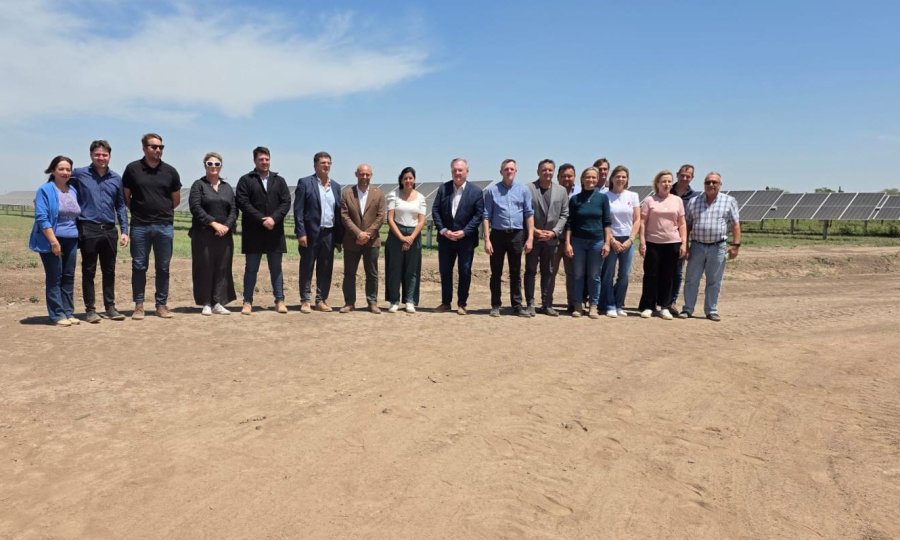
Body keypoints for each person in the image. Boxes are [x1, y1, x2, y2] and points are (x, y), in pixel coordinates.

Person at [122, 133, 182, 320]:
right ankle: (139, 306)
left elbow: (176, 200)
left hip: (164, 225)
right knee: (139, 266)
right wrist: (141, 211)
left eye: (161, 147)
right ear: (144, 148)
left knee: (163, 267)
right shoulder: (132, 169)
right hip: (140, 226)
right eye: (154, 147)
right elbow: (126, 197)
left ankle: (161, 305)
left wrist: (161, 211)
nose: (158, 150)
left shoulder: (170, 171)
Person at [71, 140, 129, 323]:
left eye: (104, 155)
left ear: (109, 156)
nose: (101, 158)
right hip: (88, 228)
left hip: (110, 230)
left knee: (109, 270)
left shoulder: (116, 178)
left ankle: (110, 307)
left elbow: (120, 206)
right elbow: (63, 187)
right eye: (97, 154)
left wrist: (124, 230)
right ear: (91, 155)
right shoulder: (79, 174)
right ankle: (90, 309)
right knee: (89, 270)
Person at [235, 146, 291, 315]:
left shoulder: (279, 180)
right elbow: (243, 203)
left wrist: (273, 218)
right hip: (254, 232)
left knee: (276, 268)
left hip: (275, 231)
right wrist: (261, 219)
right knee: (251, 269)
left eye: (267, 159)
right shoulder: (246, 180)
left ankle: (280, 300)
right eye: (261, 159)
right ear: (254, 161)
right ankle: (247, 302)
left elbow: (286, 202)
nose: (264, 162)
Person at [679, 172, 741, 321]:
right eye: (708, 182)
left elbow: (735, 224)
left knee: (714, 280)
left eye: (714, 182)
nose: (711, 185)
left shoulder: (729, 201)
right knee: (691, 279)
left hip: (717, 247)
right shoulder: (694, 201)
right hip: (697, 246)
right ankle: (687, 309)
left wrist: (736, 245)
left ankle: (711, 310)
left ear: (720, 185)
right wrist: (685, 245)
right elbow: (687, 225)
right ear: (704, 184)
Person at [29, 156, 81, 326]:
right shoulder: (45, 190)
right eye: (61, 169)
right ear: (53, 171)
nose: (65, 172)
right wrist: (53, 241)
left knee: (68, 276)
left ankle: (68, 312)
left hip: (72, 239)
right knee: (54, 277)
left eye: (68, 169)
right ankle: (57, 315)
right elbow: (42, 217)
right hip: (52, 239)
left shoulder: (73, 190)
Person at [432, 158, 484, 315]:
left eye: (460, 170)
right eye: (454, 170)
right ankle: (445, 303)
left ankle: (462, 304)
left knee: (465, 271)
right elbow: (435, 211)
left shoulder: (476, 191)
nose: (457, 173)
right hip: (446, 239)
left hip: (466, 240)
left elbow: (478, 215)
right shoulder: (443, 189)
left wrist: (464, 231)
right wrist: (444, 230)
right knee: (445, 271)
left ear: (467, 172)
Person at [483, 159, 535, 317]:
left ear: (516, 171)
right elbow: (486, 216)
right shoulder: (492, 191)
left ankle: (517, 305)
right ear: (501, 172)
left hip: (517, 234)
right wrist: (487, 239)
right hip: (497, 234)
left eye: (512, 169)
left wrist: (530, 237)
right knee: (496, 272)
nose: (509, 171)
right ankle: (495, 305)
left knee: (515, 271)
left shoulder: (524, 190)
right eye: (506, 169)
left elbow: (529, 214)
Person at [189, 152, 237, 316]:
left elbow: (233, 209)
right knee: (205, 267)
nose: (214, 167)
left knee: (222, 267)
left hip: (224, 234)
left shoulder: (227, 187)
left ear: (221, 166)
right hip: (204, 234)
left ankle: (218, 302)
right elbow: (195, 208)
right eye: (210, 164)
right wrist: (214, 223)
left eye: (217, 164)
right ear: (205, 166)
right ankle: (206, 303)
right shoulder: (198, 185)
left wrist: (226, 226)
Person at [294, 151, 343, 313]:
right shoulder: (305, 183)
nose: (326, 165)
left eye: (329, 163)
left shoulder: (335, 186)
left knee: (326, 267)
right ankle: (305, 300)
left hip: (328, 233)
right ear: (315, 165)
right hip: (310, 233)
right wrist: (301, 233)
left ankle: (321, 300)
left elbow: (337, 213)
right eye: (323, 163)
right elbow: (298, 211)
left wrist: (338, 238)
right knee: (307, 266)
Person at [638, 170, 687, 320]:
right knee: (651, 275)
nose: (666, 184)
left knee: (668, 276)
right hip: (653, 243)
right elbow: (642, 222)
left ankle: (664, 306)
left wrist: (684, 243)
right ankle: (648, 306)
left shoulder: (677, 200)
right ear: (657, 183)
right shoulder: (649, 201)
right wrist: (642, 242)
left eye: (669, 181)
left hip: (672, 243)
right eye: (663, 181)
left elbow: (682, 223)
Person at [563, 167, 611, 319]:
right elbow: (570, 223)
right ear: (582, 180)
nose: (590, 180)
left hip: (597, 242)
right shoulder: (575, 199)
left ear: (597, 180)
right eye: (587, 177)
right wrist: (568, 243)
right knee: (577, 275)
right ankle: (578, 305)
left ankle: (593, 306)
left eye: (593, 178)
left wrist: (607, 243)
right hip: (578, 241)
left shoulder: (603, 198)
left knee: (594, 276)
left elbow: (607, 222)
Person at [339, 164, 386, 314]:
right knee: (349, 273)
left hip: (372, 241)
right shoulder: (347, 193)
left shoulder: (378, 194)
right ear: (356, 174)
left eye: (367, 174)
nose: (364, 177)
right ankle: (349, 302)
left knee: (372, 273)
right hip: (352, 241)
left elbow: (380, 217)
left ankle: (372, 302)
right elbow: (344, 216)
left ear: (371, 175)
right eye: (361, 174)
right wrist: (358, 233)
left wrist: (367, 234)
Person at [524, 159, 568, 317]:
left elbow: (564, 215)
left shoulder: (561, 191)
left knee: (548, 271)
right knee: (530, 271)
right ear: (538, 171)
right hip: (533, 238)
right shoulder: (528, 189)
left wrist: (554, 232)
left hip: (551, 239)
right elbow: (524, 212)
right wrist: (534, 231)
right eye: (544, 170)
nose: (547, 173)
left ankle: (546, 304)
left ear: (553, 172)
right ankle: (530, 304)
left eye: (550, 170)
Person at [600, 165, 641, 317]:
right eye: (618, 176)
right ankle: (609, 304)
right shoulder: (605, 196)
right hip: (611, 238)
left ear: (627, 179)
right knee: (608, 273)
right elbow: (604, 220)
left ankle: (618, 304)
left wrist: (631, 239)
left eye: (624, 177)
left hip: (628, 240)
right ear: (612, 179)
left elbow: (637, 219)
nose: (621, 179)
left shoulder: (633, 196)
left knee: (624, 274)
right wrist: (611, 240)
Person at [384, 166, 426, 313]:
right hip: (396, 234)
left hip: (414, 234)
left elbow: (421, 221)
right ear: (401, 180)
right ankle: (394, 301)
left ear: (414, 180)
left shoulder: (420, 197)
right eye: (405, 178)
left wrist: (411, 238)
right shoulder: (393, 195)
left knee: (412, 270)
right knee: (394, 268)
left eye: (410, 178)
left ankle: (410, 300)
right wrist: (402, 237)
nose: (408, 181)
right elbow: (390, 218)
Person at [668, 163, 698, 311]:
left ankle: (672, 301)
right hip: (663, 238)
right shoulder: (666, 189)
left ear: (692, 178)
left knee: (677, 272)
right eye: (682, 175)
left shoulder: (695, 197)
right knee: (661, 270)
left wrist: (686, 243)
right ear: (677, 174)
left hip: (681, 240)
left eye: (688, 176)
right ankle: (659, 300)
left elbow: (692, 221)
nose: (684, 178)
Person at [552, 163, 578, 313]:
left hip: (574, 241)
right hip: (554, 240)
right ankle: (547, 302)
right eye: (563, 176)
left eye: (569, 176)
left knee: (573, 273)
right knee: (550, 272)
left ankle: (573, 303)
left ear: (574, 177)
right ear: (558, 177)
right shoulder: (553, 192)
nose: (567, 178)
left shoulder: (581, 193)